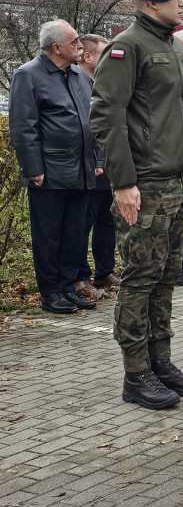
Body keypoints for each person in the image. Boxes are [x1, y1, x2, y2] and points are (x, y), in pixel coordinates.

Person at [90, 0, 183, 409]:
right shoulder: (128, 47)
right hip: (146, 185)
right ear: (150, 3)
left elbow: (181, 123)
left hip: (177, 183)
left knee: (165, 279)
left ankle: (161, 363)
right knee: (140, 279)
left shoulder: (174, 48)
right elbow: (107, 116)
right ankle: (135, 374)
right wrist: (123, 182)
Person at [10, 20, 100, 315]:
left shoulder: (78, 75)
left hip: (83, 169)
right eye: (75, 42)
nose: (80, 46)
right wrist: (33, 168)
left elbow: (93, 122)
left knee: (75, 233)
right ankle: (51, 292)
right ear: (56, 47)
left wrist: (98, 160)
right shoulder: (28, 75)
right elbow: (24, 127)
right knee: (49, 235)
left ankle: (67, 286)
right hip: (49, 171)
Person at [77, 33, 118, 298]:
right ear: (88, 56)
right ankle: (81, 276)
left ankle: (104, 272)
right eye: (104, 54)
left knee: (107, 220)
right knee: (84, 221)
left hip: (109, 164)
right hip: (89, 164)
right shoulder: (77, 83)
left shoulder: (103, 83)